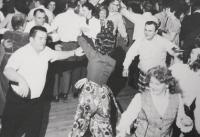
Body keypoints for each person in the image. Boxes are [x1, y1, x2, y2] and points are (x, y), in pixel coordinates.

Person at [0, 26, 84, 137]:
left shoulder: (46, 51)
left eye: (45, 39)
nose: (44, 41)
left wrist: (74, 52)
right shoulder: (21, 53)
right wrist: (21, 80)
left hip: (37, 102)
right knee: (9, 132)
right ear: (31, 39)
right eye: (40, 38)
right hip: (17, 101)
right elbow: (7, 70)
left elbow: (58, 55)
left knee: (35, 132)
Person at [69, 3, 120, 137]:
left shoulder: (93, 55)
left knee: (80, 124)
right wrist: (87, 78)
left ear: (98, 42)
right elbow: (99, 74)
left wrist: (81, 32)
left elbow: (81, 40)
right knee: (102, 126)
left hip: (89, 94)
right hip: (103, 94)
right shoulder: (113, 62)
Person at [117, 66, 193, 137]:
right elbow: (127, 117)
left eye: (157, 84)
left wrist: (186, 122)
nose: (152, 86)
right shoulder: (140, 98)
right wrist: (122, 131)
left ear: (167, 84)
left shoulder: (177, 98)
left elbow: (181, 118)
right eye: (151, 82)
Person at [123, 20, 177, 92]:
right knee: (144, 97)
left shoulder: (162, 41)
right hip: (144, 74)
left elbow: (176, 50)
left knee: (157, 98)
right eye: (145, 30)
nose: (146, 33)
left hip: (158, 76)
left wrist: (182, 58)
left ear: (156, 32)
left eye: (150, 31)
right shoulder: (140, 41)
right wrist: (125, 67)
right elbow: (130, 53)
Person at [170, 48, 200, 136]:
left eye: (194, 54)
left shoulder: (181, 68)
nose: (191, 54)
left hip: (188, 107)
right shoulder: (180, 68)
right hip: (176, 104)